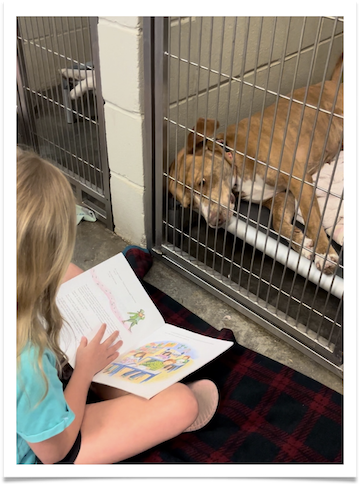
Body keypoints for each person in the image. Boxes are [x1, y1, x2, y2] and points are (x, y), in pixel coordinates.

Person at [16, 148, 219, 465]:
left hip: (32, 409)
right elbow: (55, 451)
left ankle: (116, 381)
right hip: (41, 452)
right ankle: (126, 386)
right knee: (182, 404)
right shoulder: (27, 364)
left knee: (73, 278)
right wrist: (83, 373)